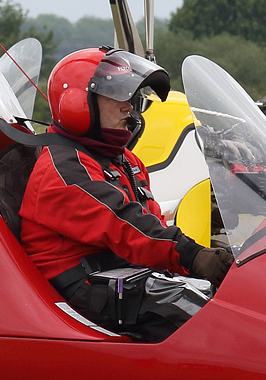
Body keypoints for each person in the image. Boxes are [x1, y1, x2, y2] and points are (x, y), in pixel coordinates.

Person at [19, 48, 232, 338]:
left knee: (231, 305)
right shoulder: (64, 170)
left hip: (120, 271)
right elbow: (125, 225)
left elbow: (150, 221)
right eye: (116, 97)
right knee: (210, 327)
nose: (128, 108)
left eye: (128, 97)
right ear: (78, 103)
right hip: (77, 290)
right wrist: (193, 256)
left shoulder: (121, 159)